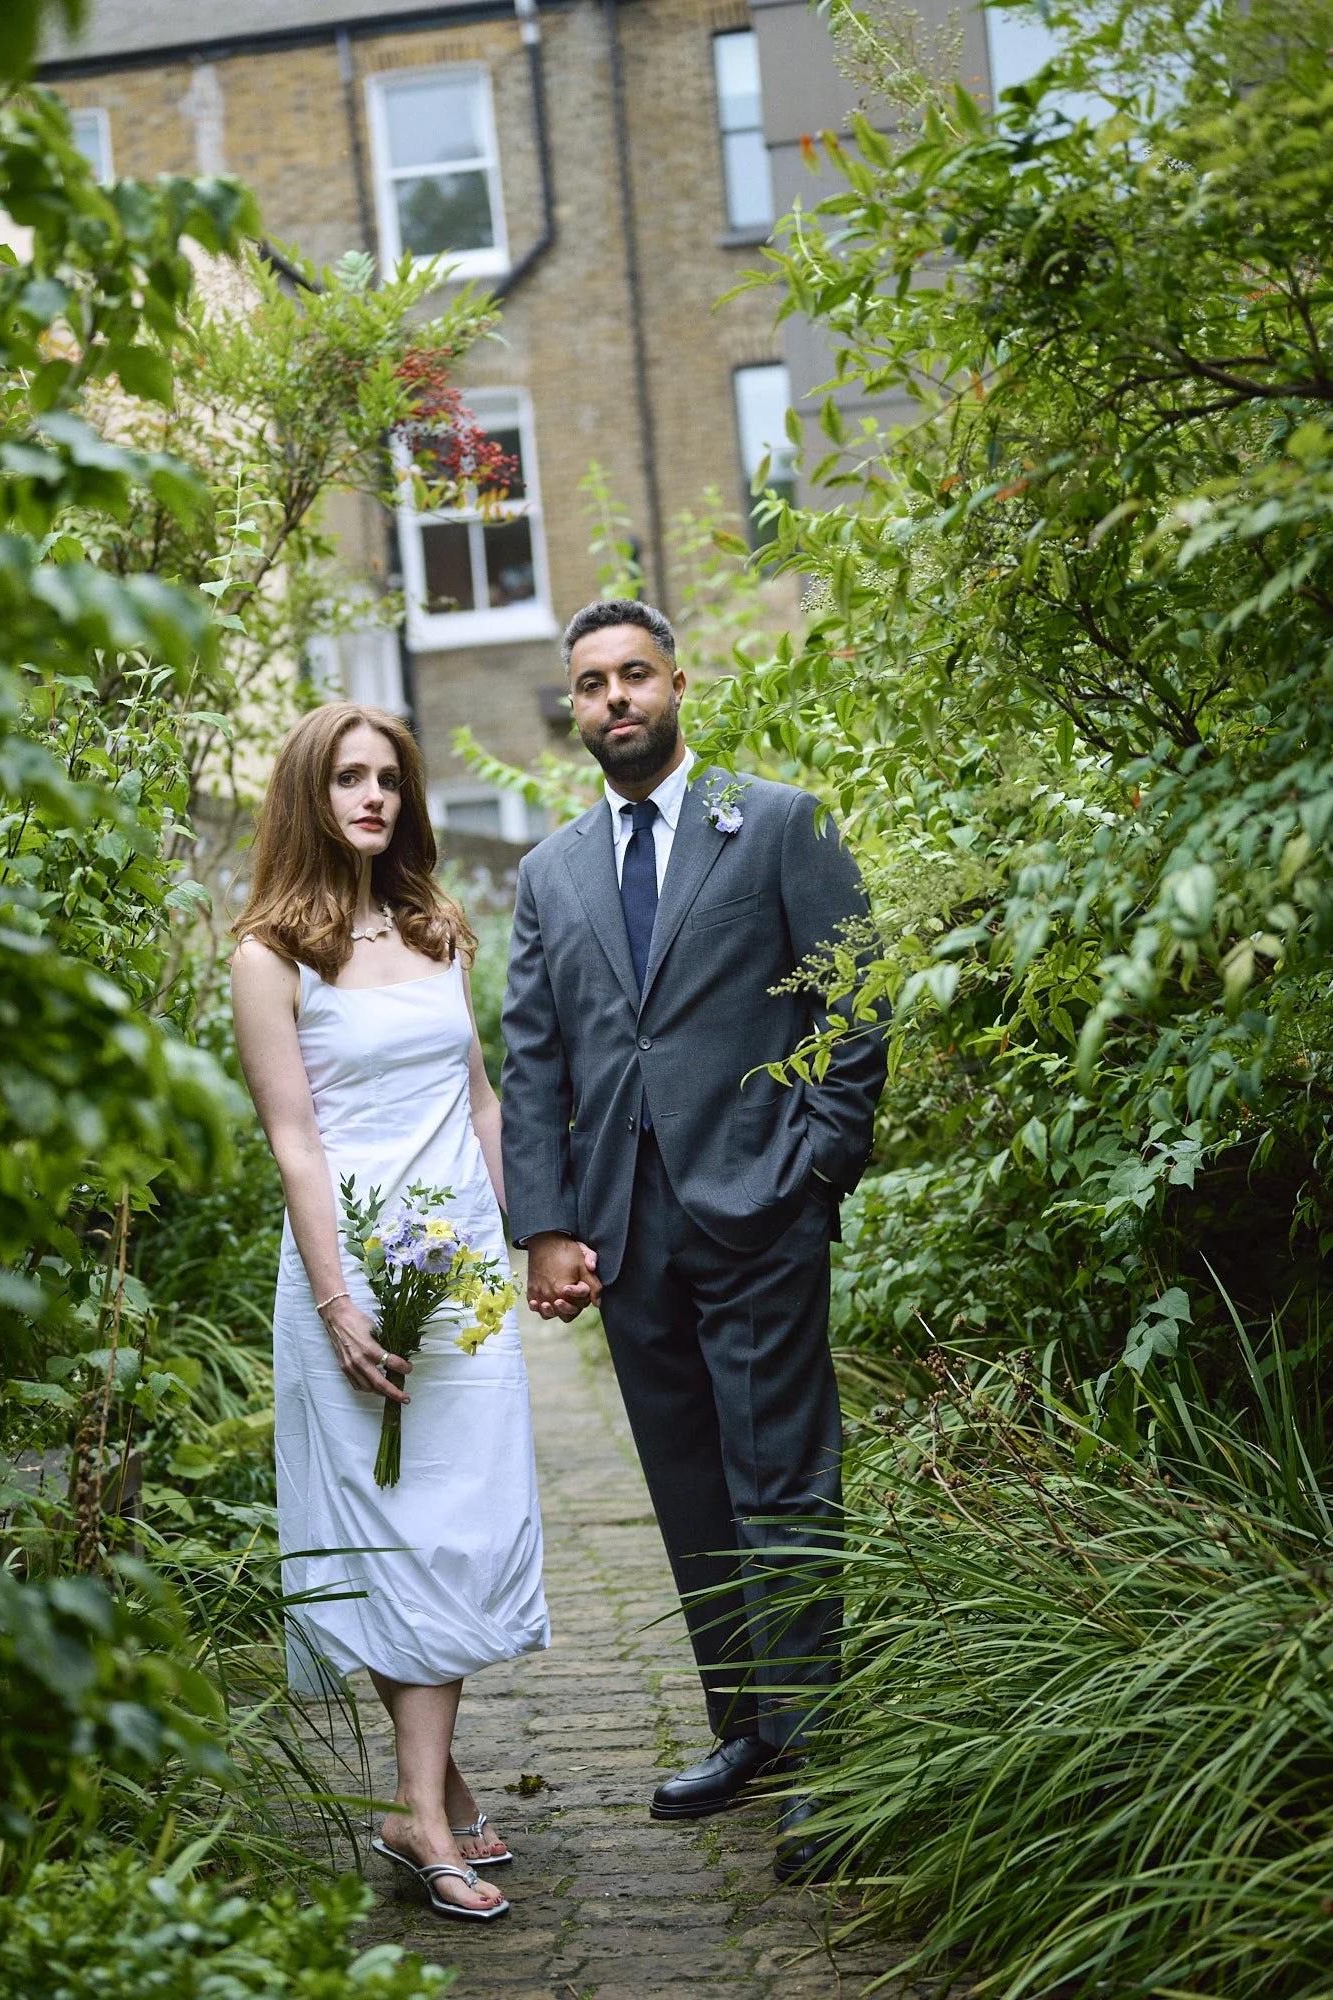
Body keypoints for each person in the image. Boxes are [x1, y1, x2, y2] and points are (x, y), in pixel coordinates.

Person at [501, 600, 886, 1882]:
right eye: (592, 683)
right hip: (626, 1233)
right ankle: (746, 1733)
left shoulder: (775, 821)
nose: (615, 698)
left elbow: (856, 994)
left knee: (784, 1479)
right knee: (689, 1488)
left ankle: (822, 1764)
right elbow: (535, 1057)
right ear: (575, 707)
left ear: (678, 682)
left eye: (635, 675)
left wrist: (817, 1157)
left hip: (761, 1206)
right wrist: (548, 1224)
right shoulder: (549, 872)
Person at [231, 703, 549, 1922]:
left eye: (390, 779)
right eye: (349, 777)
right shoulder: (271, 951)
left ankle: (432, 1782)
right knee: (385, 1533)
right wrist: (337, 1298)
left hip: (458, 1279)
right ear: (309, 792)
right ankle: (425, 1806)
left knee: (457, 1524)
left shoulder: (437, 926)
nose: (374, 796)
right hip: (348, 1271)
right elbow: (294, 1136)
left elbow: (479, 1098)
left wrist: (526, 1237)